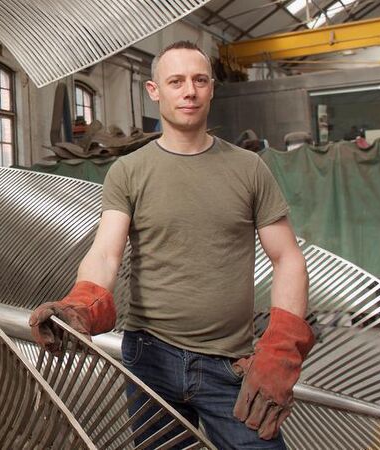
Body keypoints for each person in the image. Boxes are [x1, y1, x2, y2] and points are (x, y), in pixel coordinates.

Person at [29, 41, 314, 449]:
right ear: (154, 91)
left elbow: (287, 257)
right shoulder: (129, 171)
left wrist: (283, 343)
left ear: (212, 88)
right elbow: (106, 252)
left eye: (199, 80)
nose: (189, 91)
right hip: (151, 360)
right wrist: (83, 301)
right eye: (176, 81)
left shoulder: (248, 168)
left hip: (230, 365)